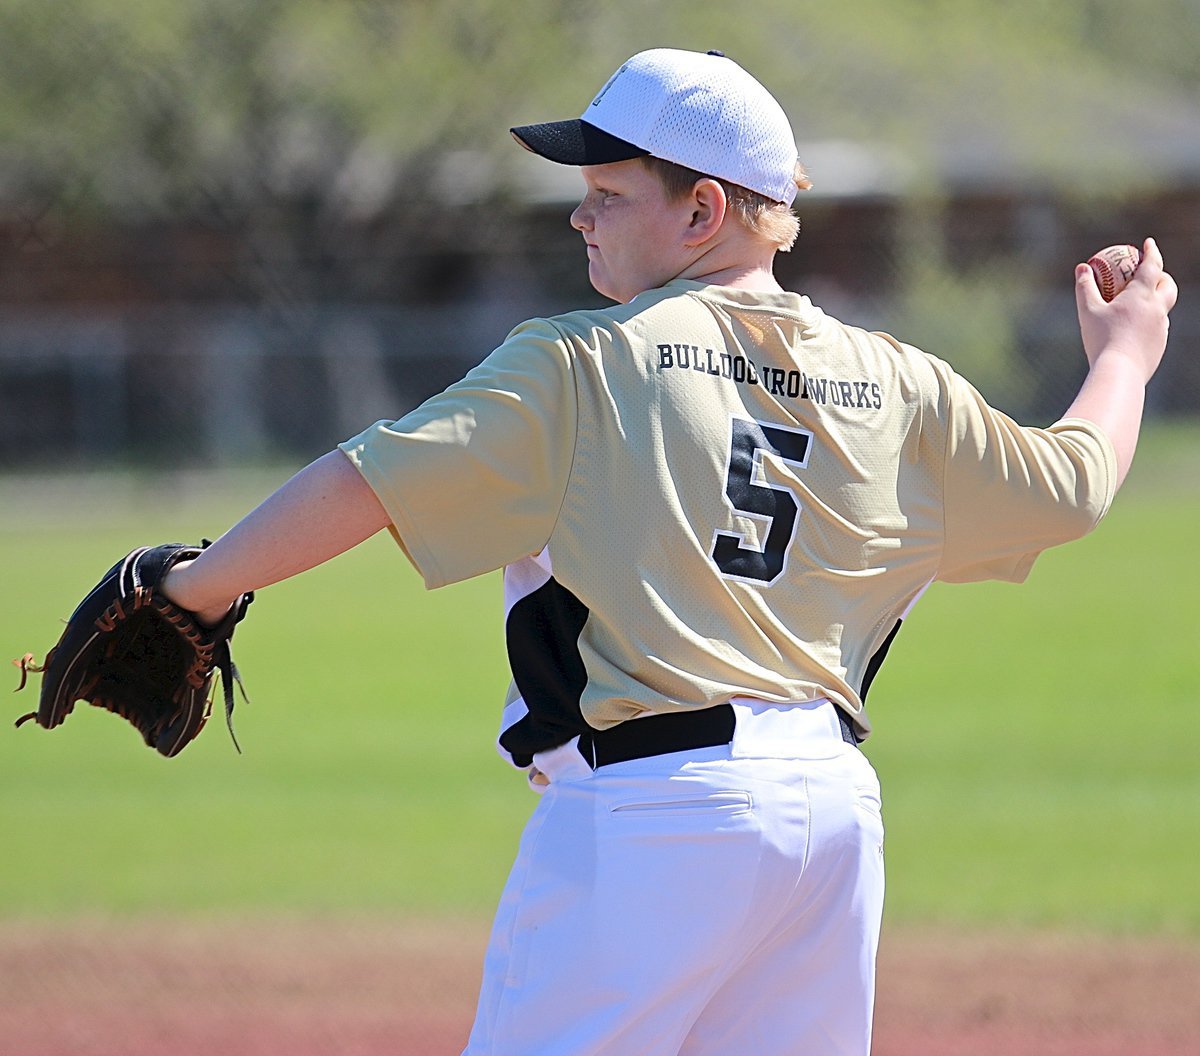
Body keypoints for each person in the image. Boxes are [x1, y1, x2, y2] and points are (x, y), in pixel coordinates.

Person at [161, 47, 1176, 1056]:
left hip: (653, 811)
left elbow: (365, 480)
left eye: (608, 191)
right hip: (829, 818)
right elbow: (1074, 484)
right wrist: (1125, 353)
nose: (579, 214)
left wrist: (193, 589)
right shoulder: (901, 383)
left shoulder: (584, 360)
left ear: (703, 215)